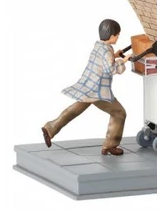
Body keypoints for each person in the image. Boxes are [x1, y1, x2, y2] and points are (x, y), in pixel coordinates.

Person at [41, 19, 128, 155]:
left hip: (89, 86)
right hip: (97, 91)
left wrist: (115, 55)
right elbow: (110, 69)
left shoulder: (100, 46)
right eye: (117, 35)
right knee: (119, 113)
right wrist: (124, 60)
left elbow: (104, 59)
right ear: (112, 36)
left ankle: (50, 128)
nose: (118, 37)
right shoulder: (106, 52)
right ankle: (110, 145)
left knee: (76, 109)